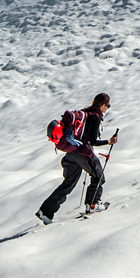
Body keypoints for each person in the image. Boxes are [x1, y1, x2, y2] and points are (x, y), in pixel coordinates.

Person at [37, 92, 117, 224]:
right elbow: (92, 141)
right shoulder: (95, 117)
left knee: (68, 183)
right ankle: (92, 204)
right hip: (83, 153)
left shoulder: (86, 112)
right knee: (99, 176)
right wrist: (108, 142)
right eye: (107, 105)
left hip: (71, 153)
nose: (107, 108)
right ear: (102, 105)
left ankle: (46, 212)